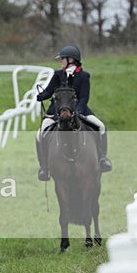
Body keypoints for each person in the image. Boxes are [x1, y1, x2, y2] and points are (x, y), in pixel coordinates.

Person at [35, 44, 112, 181]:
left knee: (101, 127)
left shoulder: (83, 76)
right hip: (56, 112)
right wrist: (42, 95)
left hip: (80, 110)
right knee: (39, 134)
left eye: (62, 59)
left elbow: (84, 97)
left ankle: (102, 159)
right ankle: (44, 167)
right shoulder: (58, 75)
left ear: (71, 59)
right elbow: (49, 91)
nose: (60, 62)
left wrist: (79, 111)